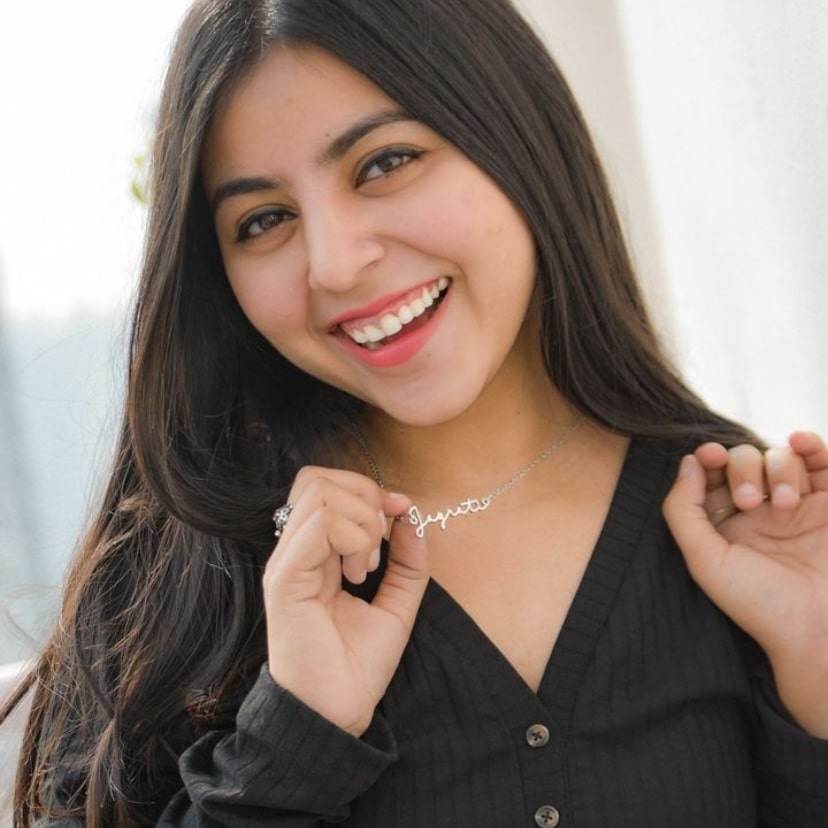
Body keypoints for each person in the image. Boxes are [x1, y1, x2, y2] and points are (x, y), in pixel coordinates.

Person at [2, 0, 827, 825]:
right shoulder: (171, 580)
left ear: (515, 133)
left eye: (384, 162)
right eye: (264, 220)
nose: (334, 263)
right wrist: (291, 737)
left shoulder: (745, 528)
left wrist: (816, 668)